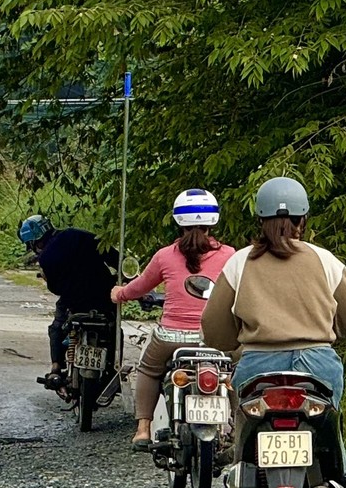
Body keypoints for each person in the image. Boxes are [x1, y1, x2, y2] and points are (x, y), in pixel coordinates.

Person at [201, 177, 346, 407]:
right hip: (317, 364)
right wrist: (326, 333)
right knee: (327, 435)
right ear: (303, 220)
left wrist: (233, 342)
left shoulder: (240, 262)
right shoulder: (324, 259)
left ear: (260, 220)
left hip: (257, 368)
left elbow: (215, 327)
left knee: (246, 436)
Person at [110, 189, 235, 451]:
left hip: (171, 337)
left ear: (178, 221)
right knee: (234, 371)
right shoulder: (230, 256)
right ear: (214, 220)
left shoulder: (165, 255)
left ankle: (143, 429)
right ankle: (235, 423)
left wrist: (120, 294)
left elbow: (140, 287)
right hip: (215, 338)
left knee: (148, 369)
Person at [20, 213, 117, 390]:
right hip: (104, 299)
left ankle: (56, 367)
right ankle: (112, 366)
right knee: (114, 328)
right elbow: (113, 256)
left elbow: (56, 289)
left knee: (57, 328)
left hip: (74, 303)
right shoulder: (79, 235)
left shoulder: (46, 258)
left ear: (35, 242)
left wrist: (47, 278)